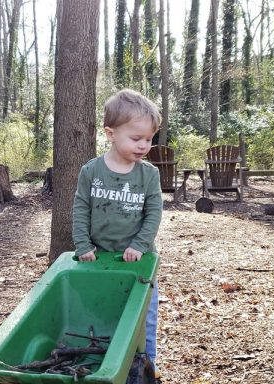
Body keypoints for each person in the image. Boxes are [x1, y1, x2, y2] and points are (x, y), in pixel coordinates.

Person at [72, 88, 163, 378]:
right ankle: (105, 367)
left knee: (142, 321)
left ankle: (145, 369)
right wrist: (83, 244)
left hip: (138, 263)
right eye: (136, 138)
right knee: (102, 314)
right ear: (110, 133)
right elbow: (80, 209)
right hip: (99, 261)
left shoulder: (148, 174)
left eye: (148, 139)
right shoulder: (91, 171)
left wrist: (140, 244)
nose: (143, 145)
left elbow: (154, 213)